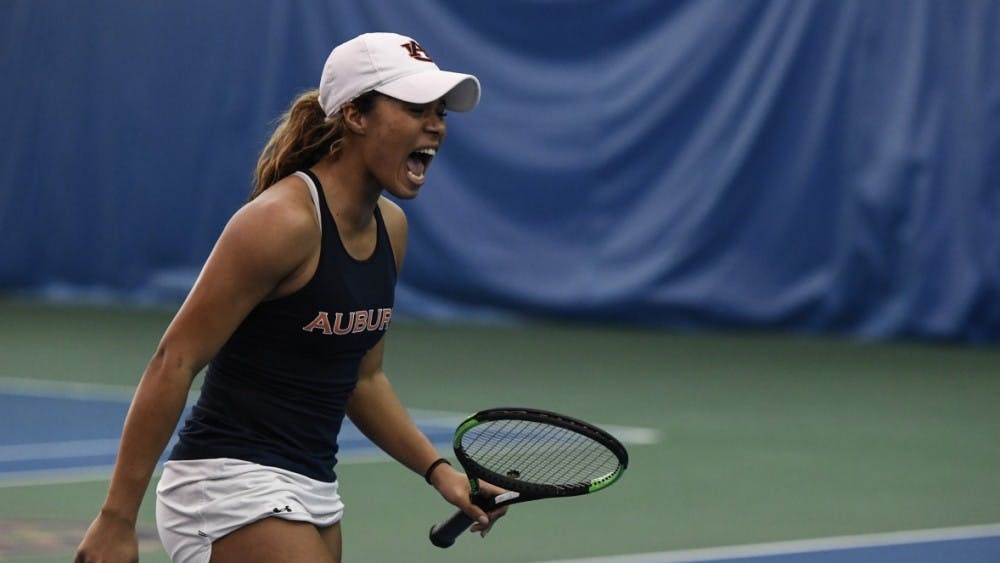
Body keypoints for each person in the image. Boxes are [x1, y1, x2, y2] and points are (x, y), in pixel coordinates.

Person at [75, 32, 505, 563]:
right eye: (416, 107)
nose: (436, 124)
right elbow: (175, 359)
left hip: (314, 488)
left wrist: (440, 474)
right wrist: (117, 518)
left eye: (440, 111)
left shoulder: (391, 230)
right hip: (226, 484)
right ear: (355, 115)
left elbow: (364, 379)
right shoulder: (282, 221)